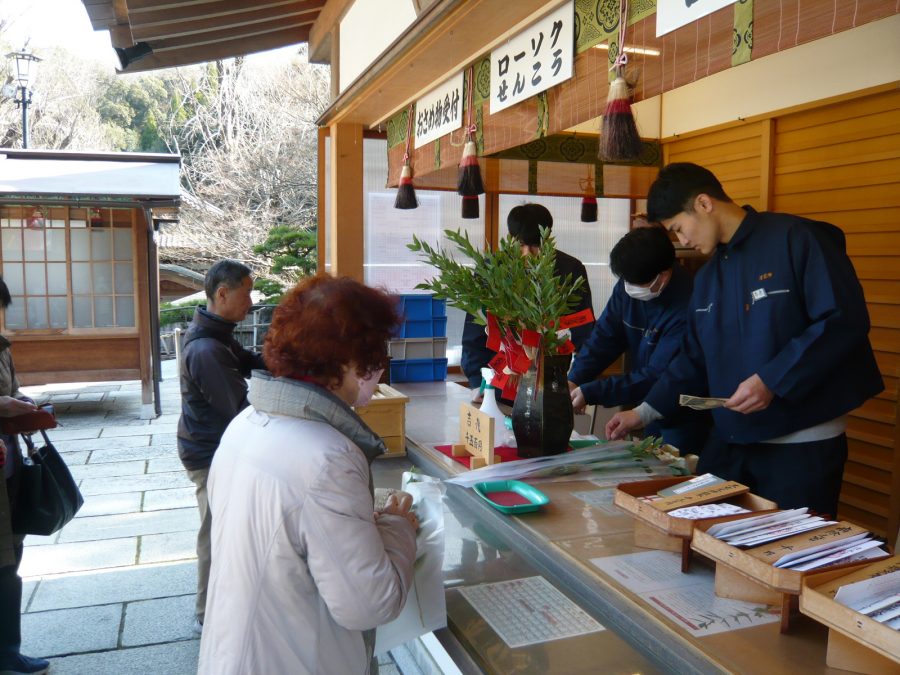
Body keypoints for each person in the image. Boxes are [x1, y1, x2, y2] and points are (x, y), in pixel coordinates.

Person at [606, 163, 883, 515]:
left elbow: (842, 319)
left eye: (679, 228)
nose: (683, 241)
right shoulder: (707, 278)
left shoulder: (796, 239)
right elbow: (692, 359)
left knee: (782, 556)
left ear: (704, 204)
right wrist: (642, 413)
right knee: (705, 539)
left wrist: (772, 380)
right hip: (733, 439)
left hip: (800, 445)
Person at [198, 274, 418, 674]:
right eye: (375, 352)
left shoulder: (246, 423)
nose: (379, 367)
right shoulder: (328, 456)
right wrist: (397, 526)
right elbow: (370, 602)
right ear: (350, 360)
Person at [176, 260, 265, 632]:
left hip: (212, 446)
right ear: (223, 294)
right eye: (246, 294)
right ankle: (206, 613)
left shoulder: (218, 333)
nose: (251, 302)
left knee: (227, 528)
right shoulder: (206, 348)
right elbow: (237, 408)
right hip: (209, 452)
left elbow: (250, 361)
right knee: (215, 531)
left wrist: (292, 360)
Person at [568, 226, 708, 452]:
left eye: (637, 284)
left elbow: (659, 373)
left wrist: (592, 392)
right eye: (625, 281)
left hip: (684, 410)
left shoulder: (689, 302)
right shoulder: (631, 281)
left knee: (677, 473)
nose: (629, 288)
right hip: (646, 406)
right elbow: (604, 336)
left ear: (663, 276)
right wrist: (575, 378)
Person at [462, 203, 594, 400]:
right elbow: (475, 331)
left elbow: (585, 332)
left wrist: (578, 378)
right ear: (510, 238)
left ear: (548, 238)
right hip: (500, 378)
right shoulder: (491, 269)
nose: (528, 253)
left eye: (535, 245)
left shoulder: (570, 269)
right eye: (521, 245)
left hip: (553, 377)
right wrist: (476, 382)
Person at [0, 278, 50, 675]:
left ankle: (9, 650)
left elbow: (13, 390)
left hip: (9, 466)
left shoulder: (2, 347)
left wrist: (24, 402)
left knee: (11, 558)